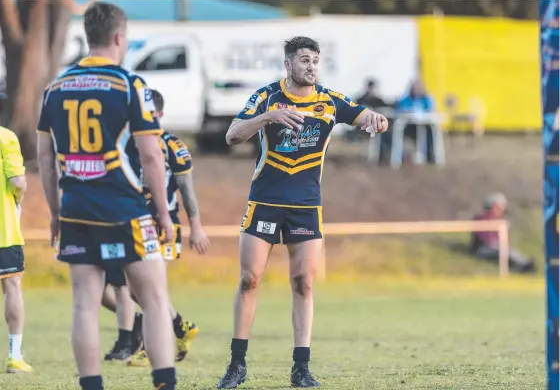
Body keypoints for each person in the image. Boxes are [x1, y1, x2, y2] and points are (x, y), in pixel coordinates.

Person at [216, 36, 387, 389]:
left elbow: (363, 114)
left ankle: (301, 368)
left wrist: (376, 119)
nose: (311, 67)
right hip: (265, 200)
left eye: (315, 61)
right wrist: (268, 117)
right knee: (249, 280)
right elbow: (233, 135)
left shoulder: (329, 100)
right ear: (288, 65)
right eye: (304, 60)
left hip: (306, 205)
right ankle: (237, 365)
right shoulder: (267, 97)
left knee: (304, 283)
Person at [37, 2, 177, 390]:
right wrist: (164, 213)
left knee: (84, 303)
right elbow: (151, 155)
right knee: (153, 299)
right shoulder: (130, 85)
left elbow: (45, 157)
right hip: (125, 208)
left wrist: (54, 212)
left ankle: (92, 385)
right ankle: (165, 382)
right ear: (119, 37)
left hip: (76, 210)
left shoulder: (56, 87)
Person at [102, 89, 210, 366]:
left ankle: (153, 348)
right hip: (131, 223)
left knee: (149, 288)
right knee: (134, 289)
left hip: (163, 225)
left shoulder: (173, 146)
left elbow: (187, 190)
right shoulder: (125, 143)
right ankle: (179, 327)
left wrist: (196, 226)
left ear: (159, 114)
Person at [0, 127, 32, 373]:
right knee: (11, 287)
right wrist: (18, 199)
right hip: (4, 230)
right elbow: (17, 182)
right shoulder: (6, 136)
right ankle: (14, 356)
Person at [470, 193, 536, 273]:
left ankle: (523, 265)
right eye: (498, 206)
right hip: (482, 250)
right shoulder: (482, 219)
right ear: (492, 207)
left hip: (495, 247)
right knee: (505, 250)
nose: (501, 209)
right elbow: (486, 240)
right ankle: (523, 265)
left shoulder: (500, 220)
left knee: (508, 250)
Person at [396, 79, 437, 163]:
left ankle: (429, 155)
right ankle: (399, 156)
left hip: (424, 125)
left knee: (431, 132)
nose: (417, 89)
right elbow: (400, 109)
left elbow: (431, 109)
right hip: (409, 126)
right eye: (415, 87)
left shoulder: (426, 99)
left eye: (419, 87)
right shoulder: (406, 99)